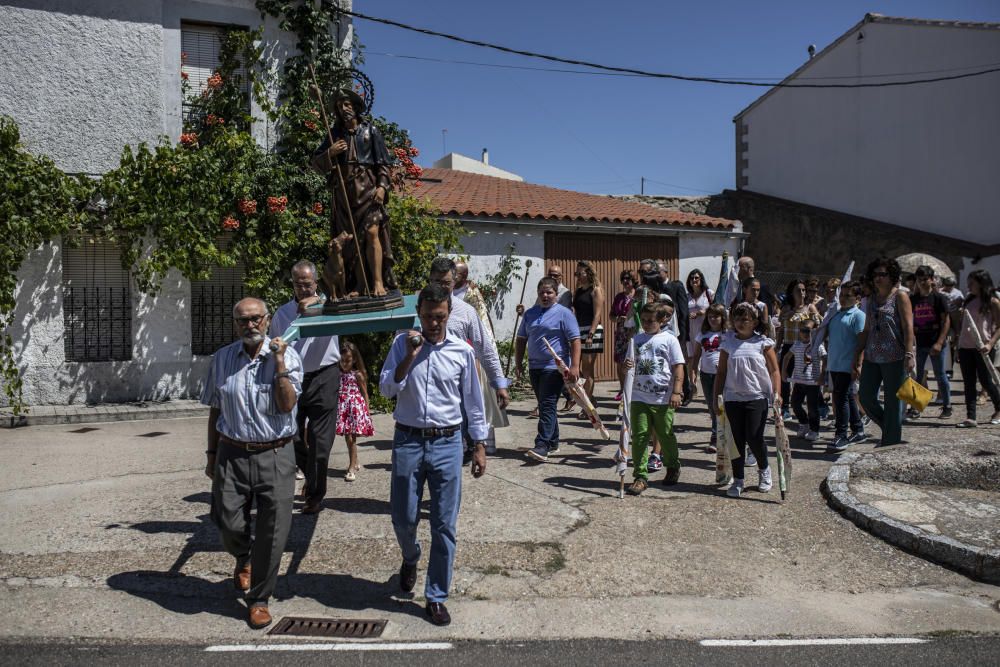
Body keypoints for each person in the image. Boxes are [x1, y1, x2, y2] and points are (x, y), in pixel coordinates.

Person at [379, 284, 489, 627]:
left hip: (447, 443)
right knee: (403, 517)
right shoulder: (402, 344)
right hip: (408, 440)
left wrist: (480, 444)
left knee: (444, 525)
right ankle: (411, 557)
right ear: (419, 314)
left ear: (448, 313)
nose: (433, 323)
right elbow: (386, 388)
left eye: (439, 317)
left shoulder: (460, 351)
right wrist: (410, 358)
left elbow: (473, 400)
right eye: (427, 316)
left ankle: (436, 596)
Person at [202, 297, 303, 629]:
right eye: (243, 320)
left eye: (256, 319)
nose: (250, 325)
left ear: (267, 320)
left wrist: (278, 363)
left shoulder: (288, 356)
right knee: (226, 520)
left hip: (276, 453)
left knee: (273, 530)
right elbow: (216, 408)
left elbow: (287, 405)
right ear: (235, 323)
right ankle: (243, 557)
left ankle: (259, 598)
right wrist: (212, 455)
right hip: (232, 452)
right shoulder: (222, 359)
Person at [269, 260, 340, 515]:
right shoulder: (282, 313)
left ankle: (315, 494)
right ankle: (311, 476)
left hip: (325, 375)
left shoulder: (331, 306)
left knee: (322, 443)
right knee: (292, 435)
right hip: (294, 378)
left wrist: (321, 302)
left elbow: (344, 299)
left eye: (307, 284)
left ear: (316, 283)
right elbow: (274, 348)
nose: (303, 289)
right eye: (298, 284)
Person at [311, 89, 396, 297]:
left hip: (368, 188)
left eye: (347, 105)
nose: (344, 109)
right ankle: (359, 285)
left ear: (356, 107)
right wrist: (330, 153)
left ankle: (378, 283)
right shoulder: (334, 135)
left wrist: (382, 187)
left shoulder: (371, 131)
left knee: (372, 232)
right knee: (352, 241)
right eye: (340, 106)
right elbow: (315, 162)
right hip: (345, 193)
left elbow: (384, 163)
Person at [428, 258, 510, 455]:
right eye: (436, 282)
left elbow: (485, 348)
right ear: (429, 280)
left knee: (458, 438)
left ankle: (462, 451)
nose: (440, 287)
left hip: (458, 388)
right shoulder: (415, 309)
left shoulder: (466, 312)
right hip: (427, 390)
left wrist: (499, 383)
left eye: (446, 283)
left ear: (454, 281)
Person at [713, 302, 781, 499]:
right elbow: (721, 372)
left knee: (754, 436)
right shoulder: (728, 343)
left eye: (745, 319)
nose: (741, 322)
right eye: (737, 318)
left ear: (755, 321)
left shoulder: (763, 343)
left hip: (757, 397)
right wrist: (716, 397)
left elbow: (774, 370)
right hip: (733, 398)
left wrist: (777, 393)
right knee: (737, 440)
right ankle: (739, 479)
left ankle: (764, 470)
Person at [515, 277, 582, 463]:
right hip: (535, 366)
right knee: (547, 405)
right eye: (542, 292)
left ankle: (542, 444)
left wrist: (575, 366)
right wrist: (518, 363)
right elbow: (521, 339)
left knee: (546, 404)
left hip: (554, 368)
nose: (545, 295)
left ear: (556, 294)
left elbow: (575, 340)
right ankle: (553, 441)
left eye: (549, 292)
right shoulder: (530, 314)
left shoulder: (564, 313)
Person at [624, 302, 686, 495]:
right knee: (640, 436)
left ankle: (672, 465)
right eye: (643, 321)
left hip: (662, 398)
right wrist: (626, 366)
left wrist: (676, 391)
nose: (647, 324)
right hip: (639, 397)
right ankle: (640, 476)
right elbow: (629, 367)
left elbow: (678, 366)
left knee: (665, 434)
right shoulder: (636, 339)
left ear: (662, 320)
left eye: (651, 321)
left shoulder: (669, 340)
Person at [853, 257, 916, 446]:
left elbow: (908, 327)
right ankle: (890, 430)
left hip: (895, 357)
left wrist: (909, 354)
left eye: (883, 274)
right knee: (865, 397)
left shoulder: (900, 296)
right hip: (872, 356)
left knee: (893, 403)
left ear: (892, 276)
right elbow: (866, 329)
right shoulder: (870, 299)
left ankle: (890, 441)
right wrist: (857, 354)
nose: (878, 278)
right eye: (875, 275)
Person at [820, 280, 868, 452]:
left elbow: (861, 342)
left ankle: (841, 435)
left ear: (857, 298)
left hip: (848, 364)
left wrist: (858, 364)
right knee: (846, 397)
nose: (843, 298)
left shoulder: (858, 315)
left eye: (848, 296)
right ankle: (858, 429)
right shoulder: (836, 314)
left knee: (840, 400)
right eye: (842, 295)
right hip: (834, 363)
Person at [955, 269, 1000, 428]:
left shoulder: (993, 301)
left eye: (972, 282)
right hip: (965, 346)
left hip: (983, 346)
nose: (969, 285)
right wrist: (957, 346)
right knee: (968, 382)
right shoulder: (968, 300)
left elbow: (999, 327)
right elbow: (963, 324)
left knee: (986, 381)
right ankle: (971, 417)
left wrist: (990, 344)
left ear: (981, 283)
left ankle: (999, 407)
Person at [909, 265, 952, 419]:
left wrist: (940, 342)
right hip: (920, 343)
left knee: (941, 375)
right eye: (919, 279)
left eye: (925, 279)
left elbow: (946, 321)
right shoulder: (912, 299)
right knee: (919, 376)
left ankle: (947, 406)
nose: (922, 282)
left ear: (932, 279)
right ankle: (916, 407)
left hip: (936, 342)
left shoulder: (939, 298)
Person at [777, 279, 820, 417]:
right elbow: (782, 329)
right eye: (798, 290)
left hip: (804, 347)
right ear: (792, 292)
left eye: (803, 290)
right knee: (785, 376)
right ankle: (785, 407)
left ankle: (819, 404)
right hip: (789, 346)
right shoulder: (786, 309)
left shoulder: (810, 308)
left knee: (807, 377)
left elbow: (819, 325)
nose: (801, 293)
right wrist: (778, 344)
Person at [689, 304, 727, 453]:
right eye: (710, 316)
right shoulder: (702, 335)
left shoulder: (727, 334)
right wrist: (693, 375)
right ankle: (716, 432)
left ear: (722, 317)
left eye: (716, 316)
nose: (712, 319)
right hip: (706, 375)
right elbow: (696, 356)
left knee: (722, 404)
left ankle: (719, 436)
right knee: (712, 406)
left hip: (723, 375)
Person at [335, 339, 373, 481]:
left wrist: (367, 413)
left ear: (355, 359)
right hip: (343, 408)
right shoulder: (337, 374)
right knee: (348, 438)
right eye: (342, 360)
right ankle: (355, 461)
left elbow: (364, 393)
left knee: (351, 438)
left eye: (348, 360)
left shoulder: (358, 375)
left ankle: (351, 468)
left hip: (354, 409)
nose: (345, 363)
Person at [782, 320, 825, 441]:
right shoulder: (796, 344)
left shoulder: (818, 345)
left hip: (813, 382)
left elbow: (825, 359)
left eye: (808, 331)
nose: (805, 333)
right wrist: (784, 371)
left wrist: (822, 375)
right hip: (799, 381)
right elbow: (786, 357)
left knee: (812, 408)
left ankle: (814, 430)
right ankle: (804, 423)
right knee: (795, 404)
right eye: (803, 330)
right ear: (799, 332)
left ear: (814, 331)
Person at [573, 260, 606, 416]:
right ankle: (590, 398)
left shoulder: (596, 290)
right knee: (574, 367)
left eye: (581, 273)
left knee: (587, 370)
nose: (578, 276)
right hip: (577, 330)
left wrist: (591, 335)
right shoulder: (578, 291)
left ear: (588, 273)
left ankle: (587, 408)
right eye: (576, 273)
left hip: (591, 331)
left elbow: (597, 314)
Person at [611, 269, 638, 398]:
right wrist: (617, 319)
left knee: (633, 360)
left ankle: (633, 389)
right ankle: (622, 389)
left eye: (629, 278)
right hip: (621, 333)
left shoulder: (638, 296)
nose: (626, 281)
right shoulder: (619, 297)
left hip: (634, 332)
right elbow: (611, 315)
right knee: (620, 361)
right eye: (624, 279)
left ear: (634, 280)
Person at [453, 260, 495, 339]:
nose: (451, 275)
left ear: (464, 275)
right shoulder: (448, 289)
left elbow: (483, 318)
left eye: (455, 273)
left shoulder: (472, 295)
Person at [686, 268, 714, 357]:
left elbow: (717, 309)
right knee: (692, 356)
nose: (694, 280)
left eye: (696, 278)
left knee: (705, 354)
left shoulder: (709, 293)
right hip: (691, 330)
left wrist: (704, 312)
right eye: (691, 278)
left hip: (705, 329)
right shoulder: (687, 296)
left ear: (701, 279)